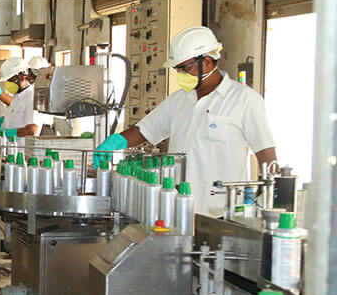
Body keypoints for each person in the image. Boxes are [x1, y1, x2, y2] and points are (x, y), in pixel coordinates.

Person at [93, 25, 276, 216]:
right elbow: (145, 130)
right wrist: (115, 142)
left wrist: (266, 196)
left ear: (207, 62)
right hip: (176, 209)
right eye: (178, 69)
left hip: (221, 212)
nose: (181, 74)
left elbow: (265, 151)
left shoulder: (244, 99)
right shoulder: (179, 100)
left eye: (186, 68)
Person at [0, 56, 44, 139]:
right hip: (11, 145)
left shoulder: (31, 97)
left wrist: (5, 132)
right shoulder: (18, 97)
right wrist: (3, 121)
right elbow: (18, 119)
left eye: (11, 80)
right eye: (8, 81)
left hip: (22, 147)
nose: (9, 84)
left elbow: (32, 130)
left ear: (22, 77)